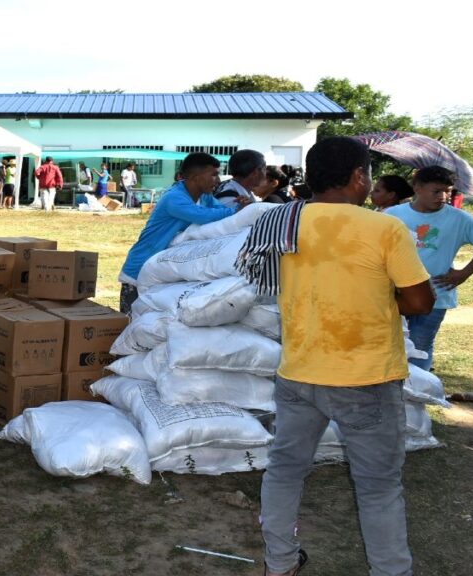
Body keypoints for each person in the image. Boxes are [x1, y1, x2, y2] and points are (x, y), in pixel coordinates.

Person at [239, 137, 434, 576]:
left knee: (285, 472)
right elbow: (420, 302)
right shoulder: (383, 229)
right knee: (379, 488)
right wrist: (384, 298)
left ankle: (280, 564)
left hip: (298, 372)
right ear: (358, 176)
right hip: (365, 378)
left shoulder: (283, 222)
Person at [385, 166, 473, 371]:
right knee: (389, 346)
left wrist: (464, 273)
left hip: (436, 296)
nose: (443, 196)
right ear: (417, 188)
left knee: (420, 348)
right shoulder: (392, 215)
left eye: (448, 191)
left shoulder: (459, 218)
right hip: (394, 294)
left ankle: (416, 399)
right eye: (436, 191)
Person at [118, 152, 249, 315]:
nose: (218, 179)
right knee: (132, 321)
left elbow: (220, 210)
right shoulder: (174, 198)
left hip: (163, 269)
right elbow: (202, 216)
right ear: (195, 177)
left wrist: (241, 209)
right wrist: (237, 210)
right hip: (140, 268)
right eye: (214, 174)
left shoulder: (205, 197)